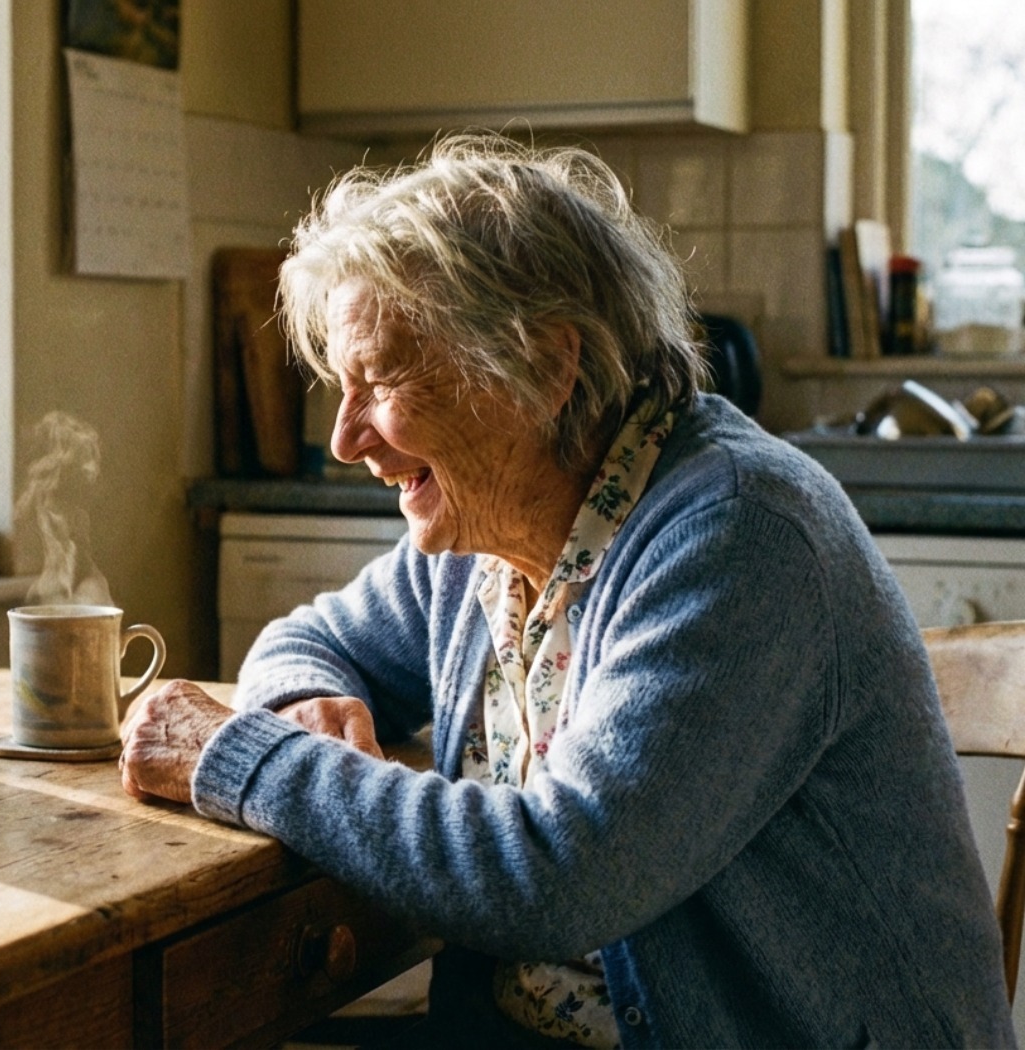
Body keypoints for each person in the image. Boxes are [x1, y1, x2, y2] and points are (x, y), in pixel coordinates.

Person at [119, 133, 1015, 1047]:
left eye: (383, 378)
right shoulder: (493, 531)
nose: (347, 439)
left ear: (546, 368)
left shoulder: (739, 534)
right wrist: (306, 705)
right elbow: (311, 638)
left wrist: (247, 759)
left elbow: (552, 878)